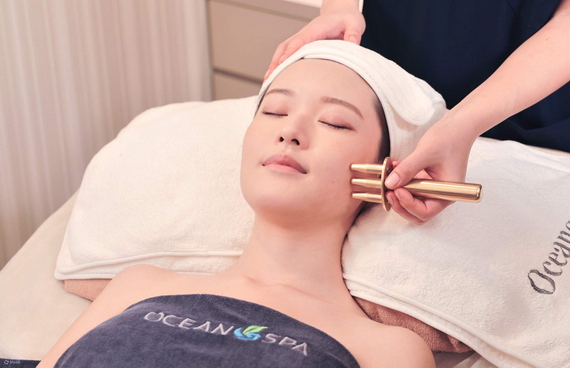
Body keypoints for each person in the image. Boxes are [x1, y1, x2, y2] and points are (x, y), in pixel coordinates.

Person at [37, 41, 438, 368]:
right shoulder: (138, 285)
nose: (290, 130)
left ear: (384, 172)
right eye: (274, 111)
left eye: (334, 121)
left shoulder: (387, 350)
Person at [265, 0, 570, 225]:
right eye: (273, 112)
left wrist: (461, 125)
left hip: (535, 121)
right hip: (393, 97)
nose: (289, 134)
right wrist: (339, 3)